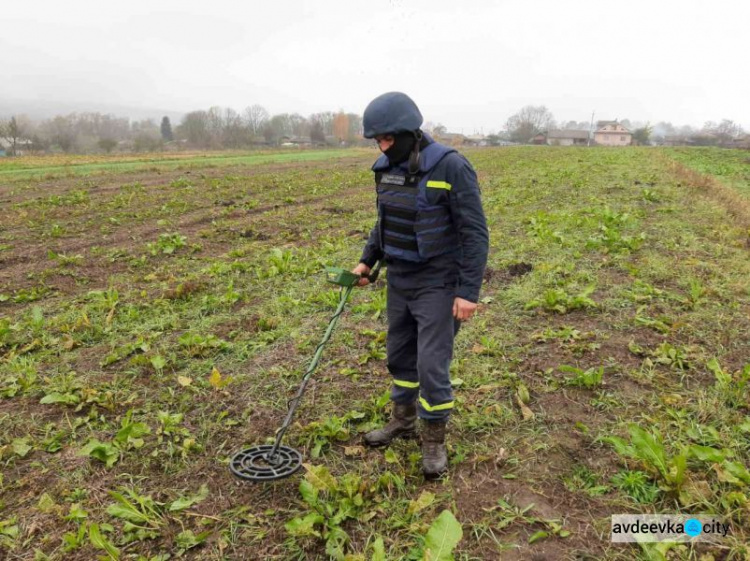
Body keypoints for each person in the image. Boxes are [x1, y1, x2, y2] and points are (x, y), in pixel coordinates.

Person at [352, 92, 489, 479]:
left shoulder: (451, 167)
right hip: (400, 277)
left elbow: (474, 233)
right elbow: (385, 220)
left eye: (388, 139)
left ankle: (434, 440)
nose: (382, 147)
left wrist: (468, 291)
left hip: (439, 280)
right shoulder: (385, 169)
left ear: (410, 132)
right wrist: (368, 259)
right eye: (377, 141)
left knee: (431, 364)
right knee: (400, 355)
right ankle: (404, 418)